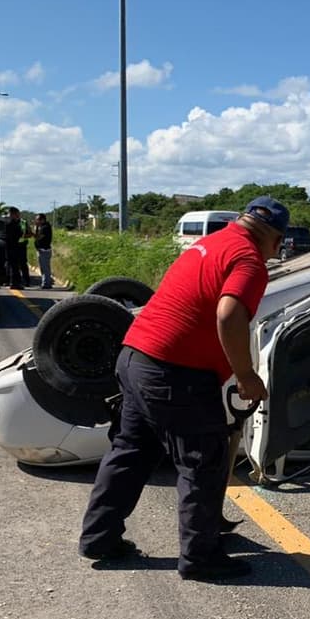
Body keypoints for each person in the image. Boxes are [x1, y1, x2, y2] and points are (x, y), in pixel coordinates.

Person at [77, 195, 289, 581]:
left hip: (135, 356)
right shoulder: (248, 259)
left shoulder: (208, 244)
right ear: (275, 238)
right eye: (279, 246)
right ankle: (200, 558)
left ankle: (99, 538)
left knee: (130, 452)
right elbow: (228, 313)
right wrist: (245, 374)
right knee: (203, 461)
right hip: (174, 373)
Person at [4, 207, 26, 289]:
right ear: (13, 214)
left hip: (8, 246)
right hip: (13, 246)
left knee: (10, 265)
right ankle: (15, 283)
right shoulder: (13, 223)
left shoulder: (5, 222)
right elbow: (19, 234)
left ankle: (10, 282)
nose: (18, 216)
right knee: (14, 266)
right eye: (17, 214)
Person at [33, 213, 54, 288]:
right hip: (42, 250)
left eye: (38, 220)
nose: (36, 221)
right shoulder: (43, 227)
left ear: (42, 220)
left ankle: (46, 284)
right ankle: (46, 282)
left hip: (44, 250)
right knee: (43, 268)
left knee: (45, 268)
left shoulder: (45, 228)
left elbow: (38, 237)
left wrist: (35, 230)